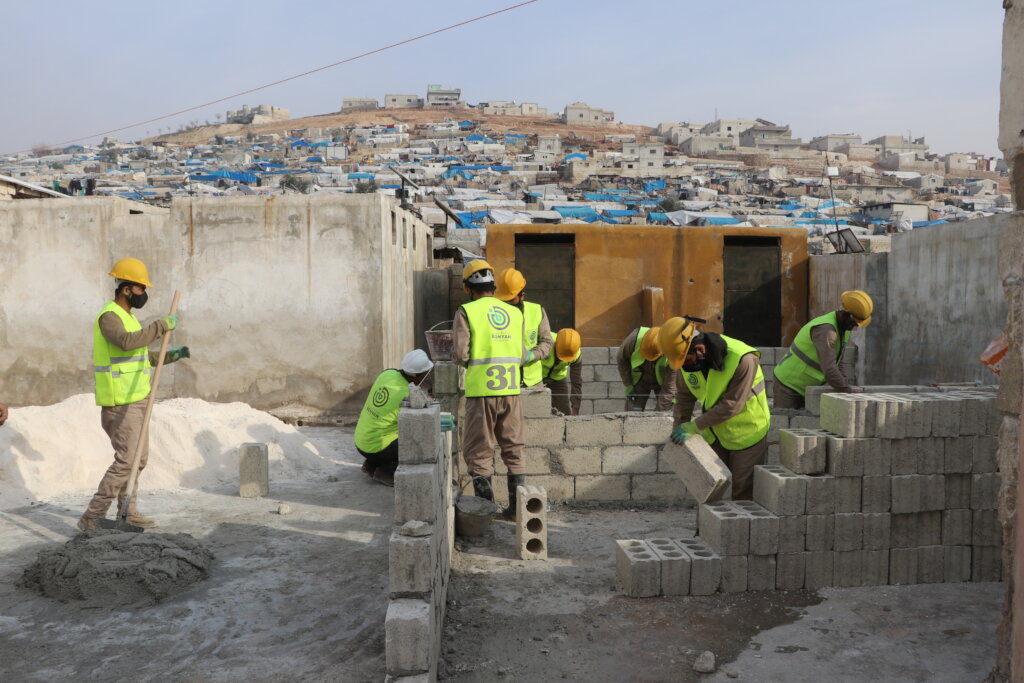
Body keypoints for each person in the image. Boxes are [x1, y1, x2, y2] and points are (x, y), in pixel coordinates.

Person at [78, 257, 190, 531]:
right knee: (126, 460)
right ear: (126, 289)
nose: (144, 294)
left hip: (138, 398)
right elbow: (127, 343)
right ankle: (92, 517)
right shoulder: (109, 317)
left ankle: (128, 511)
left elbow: (138, 356)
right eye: (141, 289)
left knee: (138, 459)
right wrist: (160, 326)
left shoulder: (128, 317)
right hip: (120, 403)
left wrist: (167, 356)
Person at [660, 318, 771, 500]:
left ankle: (739, 529)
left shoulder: (743, 359)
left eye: (686, 361)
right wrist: (679, 430)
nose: (685, 367)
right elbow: (684, 398)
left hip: (747, 431)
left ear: (700, 349)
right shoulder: (687, 362)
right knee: (706, 487)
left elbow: (732, 405)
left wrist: (694, 426)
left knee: (742, 491)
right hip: (714, 432)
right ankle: (704, 529)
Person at [453, 259, 528, 520]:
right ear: (493, 286)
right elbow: (521, 355)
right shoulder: (515, 313)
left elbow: (461, 354)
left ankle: (486, 515)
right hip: (511, 391)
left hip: (481, 392)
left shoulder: (467, 311)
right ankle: (517, 512)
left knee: (479, 453)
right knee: (513, 450)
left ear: (468, 288)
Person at [772, 290, 873, 409]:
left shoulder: (843, 329)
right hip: (788, 385)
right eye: (855, 321)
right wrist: (847, 391)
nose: (856, 326)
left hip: (806, 386)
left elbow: (838, 363)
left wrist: (845, 386)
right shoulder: (826, 330)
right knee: (785, 423)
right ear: (845, 313)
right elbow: (830, 370)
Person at [354, 349, 435, 487]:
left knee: (390, 430)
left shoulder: (387, 374)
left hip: (360, 441)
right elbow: (421, 422)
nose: (425, 377)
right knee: (419, 442)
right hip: (376, 446)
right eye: (423, 375)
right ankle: (385, 472)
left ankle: (371, 464)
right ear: (416, 376)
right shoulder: (405, 394)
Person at [494, 268, 552, 389]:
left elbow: (546, 342)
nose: (507, 305)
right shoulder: (493, 314)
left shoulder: (537, 311)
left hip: (532, 383)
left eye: (511, 300)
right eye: (504, 301)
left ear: (522, 296)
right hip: (502, 380)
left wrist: (532, 355)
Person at [616, 326, 677, 411]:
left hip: (663, 381)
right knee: (632, 413)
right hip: (640, 379)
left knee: (665, 411)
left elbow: (669, 387)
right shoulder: (633, 340)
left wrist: (659, 416)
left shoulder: (673, 352)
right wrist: (628, 385)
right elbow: (621, 360)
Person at [541, 328, 583, 416]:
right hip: (536, 379)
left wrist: (575, 408)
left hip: (558, 380)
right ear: (556, 344)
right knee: (537, 412)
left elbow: (576, 382)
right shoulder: (544, 340)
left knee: (565, 414)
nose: (561, 360)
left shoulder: (576, 354)